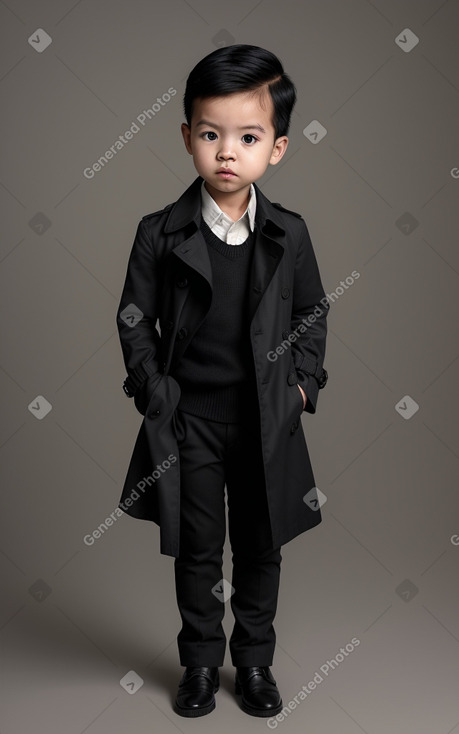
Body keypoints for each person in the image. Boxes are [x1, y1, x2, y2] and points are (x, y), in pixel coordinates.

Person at [116, 43, 329, 719]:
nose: (226, 152)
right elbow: (131, 317)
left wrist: (301, 387)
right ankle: (202, 664)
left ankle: (256, 663)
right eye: (210, 135)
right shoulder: (159, 232)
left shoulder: (288, 234)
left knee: (262, 543)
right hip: (190, 422)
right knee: (199, 548)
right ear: (187, 138)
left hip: (266, 418)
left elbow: (310, 311)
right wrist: (155, 391)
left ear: (278, 148)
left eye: (247, 136)